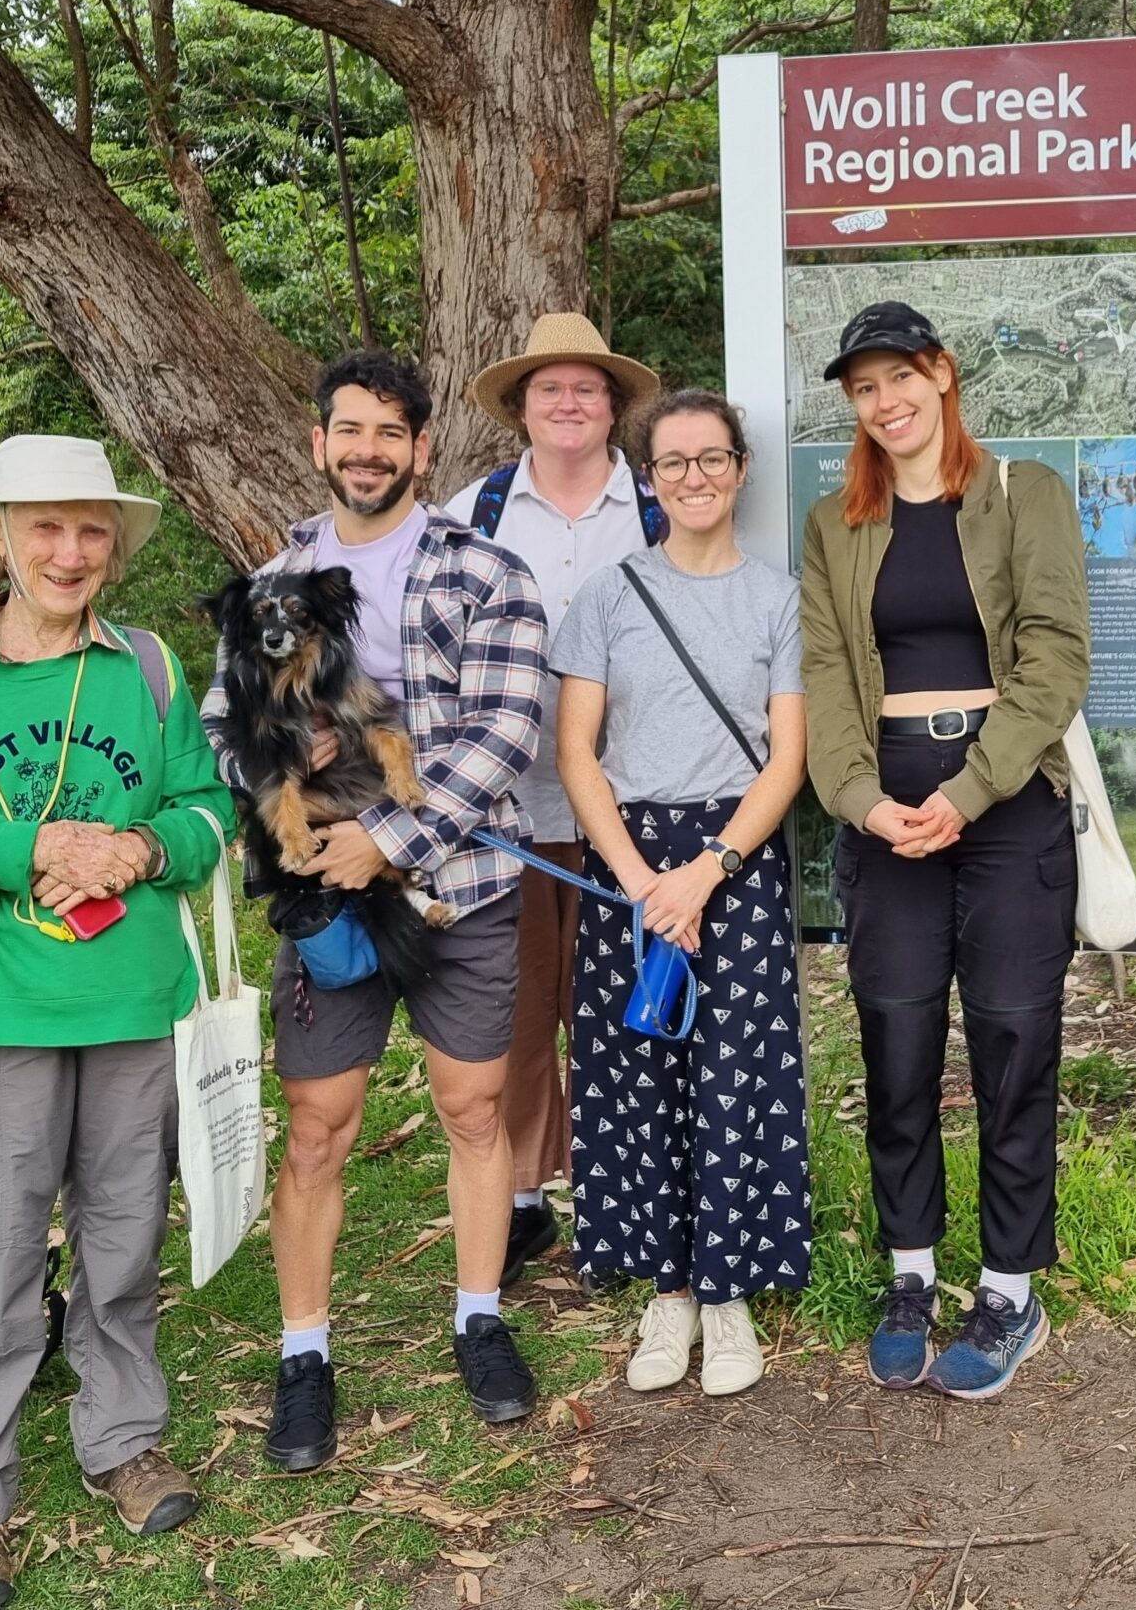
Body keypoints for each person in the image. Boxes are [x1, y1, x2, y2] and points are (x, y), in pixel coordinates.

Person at [0, 436, 234, 1607]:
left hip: (130, 1000)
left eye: (91, 530)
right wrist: (29, 845)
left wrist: (140, 845)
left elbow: (204, 807)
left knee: (124, 1242)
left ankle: (123, 1441)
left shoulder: (146, 668)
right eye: (43, 528)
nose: (70, 552)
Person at [202, 349, 551, 1468]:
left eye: (389, 434)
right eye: (347, 431)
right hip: (323, 898)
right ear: (320, 443)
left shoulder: (485, 570)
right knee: (317, 1129)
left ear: (420, 449)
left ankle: (479, 1316)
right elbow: (220, 728)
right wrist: (281, 779)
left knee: (476, 1112)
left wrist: (385, 840)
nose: (367, 451)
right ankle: (304, 1352)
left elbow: (505, 734)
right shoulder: (273, 579)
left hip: (460, 886)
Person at [798, 301, 1091, 1401]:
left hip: (1004, 803)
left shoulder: (1025, 495)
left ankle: (1010, 1283)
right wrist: (864, 802)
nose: (886, 403)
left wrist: (968, 791)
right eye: (864, 389)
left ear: (942, 373)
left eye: (900, 377)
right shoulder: (838, 525)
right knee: (898, 1042)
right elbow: (825, 674)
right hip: (886, 816)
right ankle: (910, 1270)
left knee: (1014, 1045)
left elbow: (1058, 658)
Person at [552, 389, 810, 1394]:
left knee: (737, 1073)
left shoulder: (777, 599)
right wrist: (640, 882)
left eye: (712, 459)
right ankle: (665, 1289)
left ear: (740, 469)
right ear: (647, 479)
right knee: (636, 1072)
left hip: (733, 857)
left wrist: (708, 872)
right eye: (673, 463)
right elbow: (577, 753)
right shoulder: (610, 596)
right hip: (631, 859)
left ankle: (730, 1288)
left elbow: (786, 759)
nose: (694, 478)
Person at [442, 312, 664, 1289]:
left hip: (639, 806)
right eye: (549, 390)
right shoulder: (472, 515)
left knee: (621, 1006)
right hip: (510, 812)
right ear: (520, 409)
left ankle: (621, 1194)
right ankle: (526, 1198)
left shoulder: (660, 508)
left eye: (587, 388)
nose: (569, 404)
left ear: (613, 406)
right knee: (522, 1009)